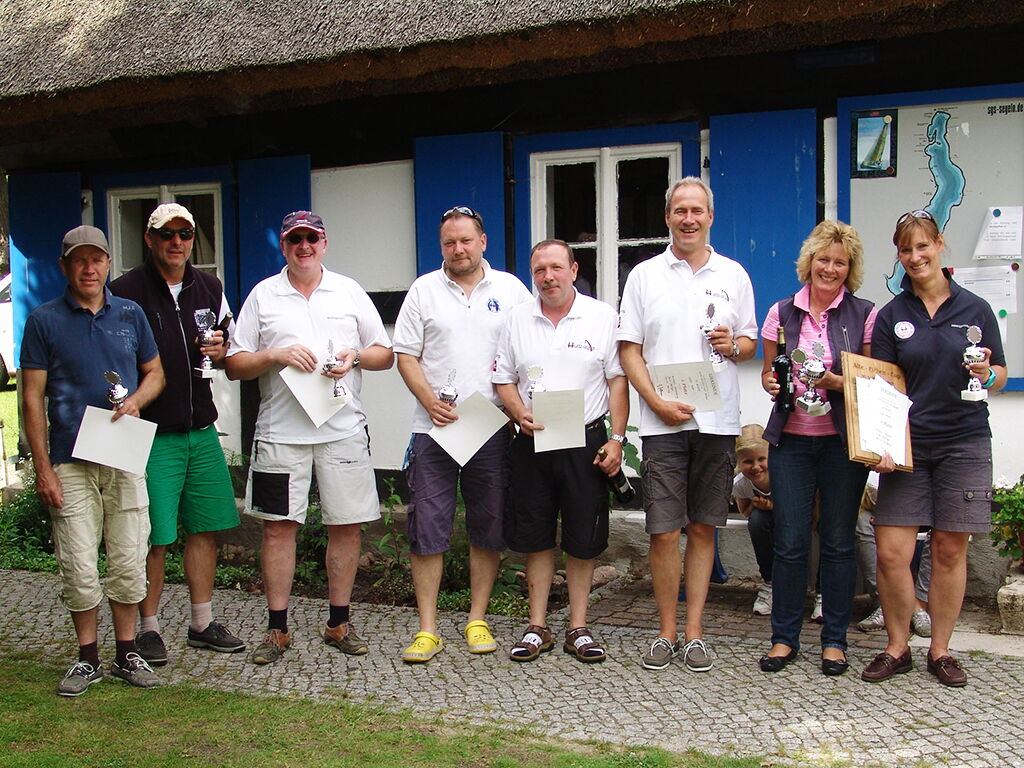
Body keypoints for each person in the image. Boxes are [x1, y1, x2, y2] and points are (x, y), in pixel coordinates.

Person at [225, 210, 394, 665]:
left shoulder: (348, 290)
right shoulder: (264, 294)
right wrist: (274, 354)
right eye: (295, 239)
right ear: (284, 246)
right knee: (279, 531)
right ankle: (276, 629)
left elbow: (385, 354)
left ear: (324, 243)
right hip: (280, 435)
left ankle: (338, 621)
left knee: (346, 525)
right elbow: (235, 363)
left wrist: (354, 356)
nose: (304, 246)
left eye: (312, 239)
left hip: (342, 430)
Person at [618, 177, 757, 672]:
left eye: (697, 210)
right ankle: (665, 631)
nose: (689, 218)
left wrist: (733, 346)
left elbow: (749, 344)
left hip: (716, 420)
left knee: (703, 528)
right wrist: (652, 400)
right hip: (661, 422)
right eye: (680, 210)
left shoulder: (734, 274)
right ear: (668, 217)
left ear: (710, 217)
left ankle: (695, 633)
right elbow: (628, 349)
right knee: (662, 531)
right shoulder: (644, 275)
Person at [863, 209, 1006, 687]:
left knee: (948, 550)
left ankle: (941, 651)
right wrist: (880, 443)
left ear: (939, 246)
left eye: (922, 246)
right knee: (890, 552)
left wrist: (988, 374)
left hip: (964, 442)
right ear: (899, 256)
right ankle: (897, 647)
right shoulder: (891, 315)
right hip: (907, 447)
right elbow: (880, 386)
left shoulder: (976, 309)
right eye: (906, 249)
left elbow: (1000, 374)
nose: (915, 256)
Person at [21, 225, 165, 695]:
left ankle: (127, 653)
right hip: (70, 459)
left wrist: (138, 400)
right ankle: (87, 659)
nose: (89, 268)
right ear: (64, 266)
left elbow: (155, 373)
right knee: (79, 564)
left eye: (97, 259)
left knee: (128, 560)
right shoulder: (43, 320)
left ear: (107, 264)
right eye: (79, 260)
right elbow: (31, 398)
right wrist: (42, 469)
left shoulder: (130, 313)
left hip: (123, 454)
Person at [392, 205, 531, 663]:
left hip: (490, 424)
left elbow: (525, 353)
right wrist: (429, 399)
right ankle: (428, 628)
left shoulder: (511, 289)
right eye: (450, 242)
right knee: (427, 527)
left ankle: (477, 619)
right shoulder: (423, 290)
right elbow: (406, 355)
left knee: (487, 524)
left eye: (466, 240)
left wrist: (517, 408)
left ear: (483, 241)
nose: (458, 249)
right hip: (435, 427)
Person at [110, 203, 244, 666]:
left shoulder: (209, 286)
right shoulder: (125, 291)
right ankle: (147, 629)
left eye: (185, 234)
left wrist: (223, 349)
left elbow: (226, 353)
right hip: (149, 432)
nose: (177, 242)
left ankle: (201, 623)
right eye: (167, 234)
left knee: (204, 529)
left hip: (200, 428)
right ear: (150, 239)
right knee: (154, 536)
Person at [494, 239, 628, 664]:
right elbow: (502, 378)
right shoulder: (516, 319)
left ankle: (578, 627)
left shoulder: (602, 316)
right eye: (539, 270)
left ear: (573, 269)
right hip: (532, 440)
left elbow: (617, 381)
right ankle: (537, 626)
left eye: (555, 268)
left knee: (582, 538)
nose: (547, 277)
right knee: (535, 536)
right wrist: (518, 413)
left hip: (585, 439)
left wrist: (617, 439)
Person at [759, 220, 875, 676]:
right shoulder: (781, 311)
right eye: (823, 259)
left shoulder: (865, 314)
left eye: (840, 262)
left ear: (850, 269)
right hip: (791, 441)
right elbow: (771, 375)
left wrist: (835, 383)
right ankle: (784, 638)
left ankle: (835, 641)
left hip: (841, 443)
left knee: (839, 541)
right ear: (809, 262)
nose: (830, 269)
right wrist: (771, 382)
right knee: (789, 542)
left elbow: (871, 381)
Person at [855, 478, 932, 637]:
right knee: (861, 520)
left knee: (940, 535)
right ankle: (885, 603)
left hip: (923, 503)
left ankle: (918, 606)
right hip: (884, 495)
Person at [732, 424, 774, 616]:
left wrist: (774, 506)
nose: (756, 467)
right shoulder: (741, 484)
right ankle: (770, 581)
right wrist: (757, 505)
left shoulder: (781, 475)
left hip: (795, 514)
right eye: (748, 462)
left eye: (761, 459)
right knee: (757, 520)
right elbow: (745, 511)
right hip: (765, 520)